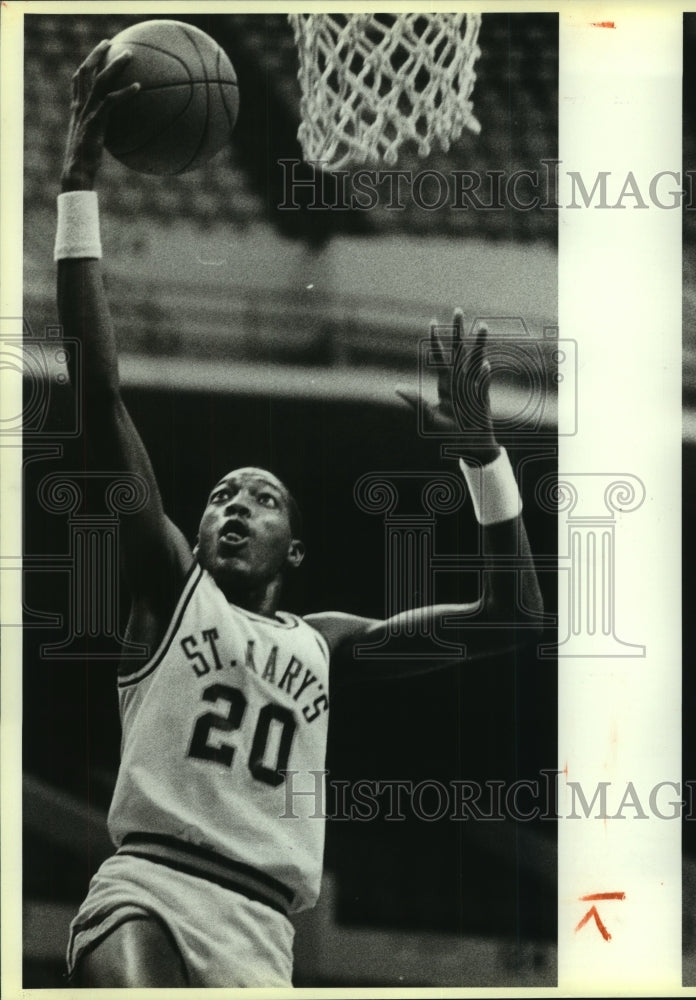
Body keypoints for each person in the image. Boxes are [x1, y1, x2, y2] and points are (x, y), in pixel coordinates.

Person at [57, 40, 545, 988]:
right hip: (146, 892)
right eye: (220, 496)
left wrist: (485, 458)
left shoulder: (324, 643)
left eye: (264, 496)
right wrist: (81, 182)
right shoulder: (168, 589)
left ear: (297, 546)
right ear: (193, 533)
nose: (237, 504)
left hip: (263, 932)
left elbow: (514, 619)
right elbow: (99, 394)